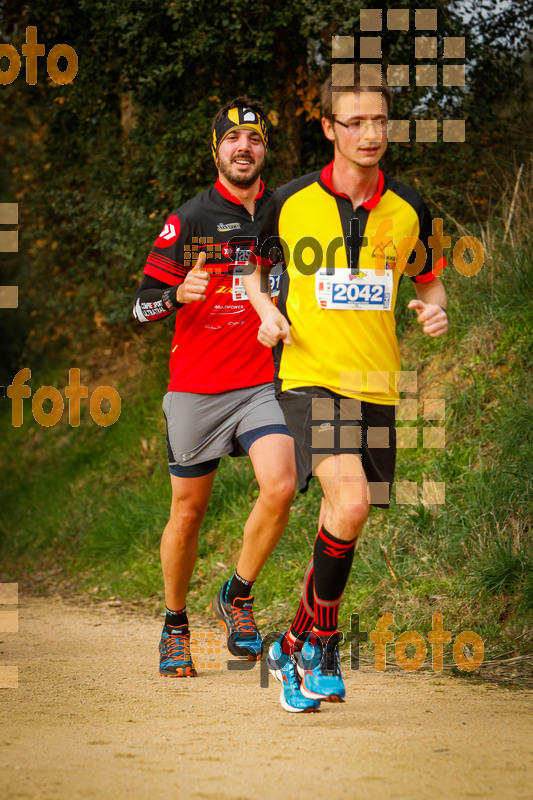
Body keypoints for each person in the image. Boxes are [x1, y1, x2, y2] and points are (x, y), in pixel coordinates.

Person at [242, 66, 448, 712]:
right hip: (309, 378)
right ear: (328, 127)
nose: (369, 134)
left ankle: (294, 641)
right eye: (354, 122)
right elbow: (248, 272)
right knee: (351, 502)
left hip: (377, 383)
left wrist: (435, 309)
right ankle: (317, 644)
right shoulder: (289, 201)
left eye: (379, 121)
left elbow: (429, 279)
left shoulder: (411, 207)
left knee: (344, 520)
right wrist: (266, 312)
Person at [133, 97, 296, 678]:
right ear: (217, 150)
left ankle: (238, 594)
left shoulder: (284, 213)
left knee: (281, 485)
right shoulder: (191, 219)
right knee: (188, 513)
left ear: (264, 149)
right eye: (232, 138)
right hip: (196, 391)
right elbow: (141, 306)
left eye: (253, 138)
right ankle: (174, 625)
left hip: (257, 385)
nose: (243, 147)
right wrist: (178, 295)